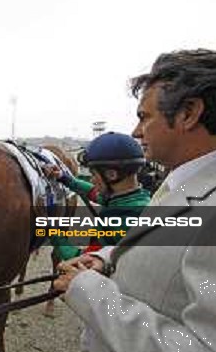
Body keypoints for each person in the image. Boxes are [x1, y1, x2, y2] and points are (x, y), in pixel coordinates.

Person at [53, 49, 216, 352]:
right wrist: (104, 259)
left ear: (188, 114)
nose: (136, 131)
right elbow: (164, 245)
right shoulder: (199, 182)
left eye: (144, 116)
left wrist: (89, 291)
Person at [42, 132, 150, 317]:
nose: (91, 180)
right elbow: (93, 193)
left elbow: (82, 261)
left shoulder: (121, 218)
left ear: (111, 174)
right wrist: (64, 178)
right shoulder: (135, 199)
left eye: (93, 174)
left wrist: (53, 231)